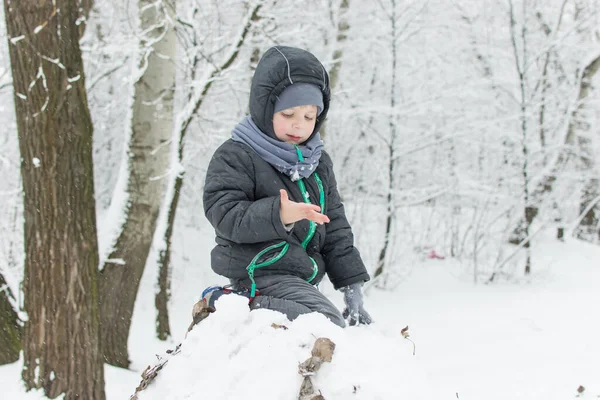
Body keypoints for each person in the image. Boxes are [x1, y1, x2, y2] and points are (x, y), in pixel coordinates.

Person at [202, 46, 372, 327]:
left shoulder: (317, 162)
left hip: (300, 276)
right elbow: (224, 214)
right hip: (258, 271)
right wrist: (279, 214)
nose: (299, 125)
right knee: (325, 323)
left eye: (309, 117)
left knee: (325, 325)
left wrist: (351, 286)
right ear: (266, 108)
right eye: (288, 114)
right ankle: (228, 302)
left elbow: (336, 226)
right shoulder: (237, 154)